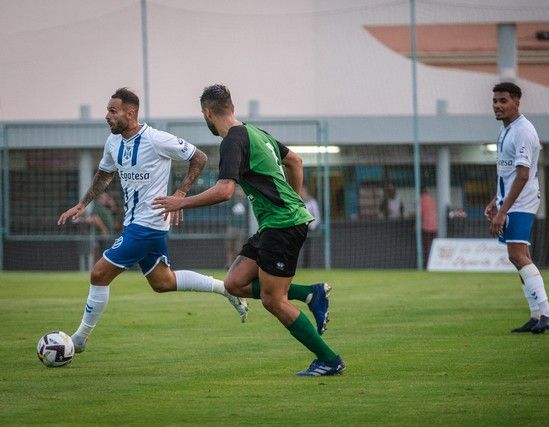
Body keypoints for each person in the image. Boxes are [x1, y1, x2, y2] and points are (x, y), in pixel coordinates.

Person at [153, 84, 344, 376]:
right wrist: (292, 198)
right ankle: (311, 293)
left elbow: (224, 191)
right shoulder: (256, 133)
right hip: (277, 223)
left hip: (283, 225)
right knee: (235, 283)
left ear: (207, 112)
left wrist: (180, 201)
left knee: (273, 300)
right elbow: (295, 160)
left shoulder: (232, 140)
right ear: (231, 106)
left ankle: (329, 360)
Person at [57, 88, 248, 354]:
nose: (107, 117)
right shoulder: (113, 143)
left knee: (99, 273)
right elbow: (104, 175)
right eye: (107, 111)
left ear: (130, 113)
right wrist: (81, 204)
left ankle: (78, 340)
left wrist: (180, 193)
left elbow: (199, 157)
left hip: (148, 225)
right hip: (135, 224)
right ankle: (225, 288)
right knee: (163, 282)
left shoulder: (156, 139)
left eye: (113, 111)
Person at [484, 82, 549, 334]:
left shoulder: (523, 131)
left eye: (503, 101)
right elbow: (507, 172)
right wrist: (496, 200)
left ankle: (548, 313)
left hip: (521, 202)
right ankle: (537, 314)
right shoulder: (507, 130)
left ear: (517, 102)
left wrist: (503, 211)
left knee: (517, 255)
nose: (497, 105)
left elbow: (523, 175)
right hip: (511, 201)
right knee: (518, 256)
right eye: (495, 101)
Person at [225, 187, 248, 269]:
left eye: (241, 191)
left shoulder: (245, 203)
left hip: (241, 228)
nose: (239, 193)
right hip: (231, 228)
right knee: (229, 247)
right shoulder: (231, 201)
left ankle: (236, 266)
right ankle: (229, 265)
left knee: (238, 249)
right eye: (238, 191)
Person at [300, 185, 321, 268]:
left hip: (308, 228)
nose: (302, 193)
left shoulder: (312, 202)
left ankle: (306, 266)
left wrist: (311, 225)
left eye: (303, 191)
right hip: (297, 227)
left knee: (307, 248)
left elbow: (317, 216)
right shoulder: (296, 201)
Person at [420, 187, 437, 266]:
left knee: (427, 246)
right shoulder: (432, 199)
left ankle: (428, 264)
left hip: (426, 226)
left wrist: (416, 224)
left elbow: (420, 213)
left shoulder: (421, 200)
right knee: (433, 245)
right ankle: (435, 262)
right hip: (435, 226)